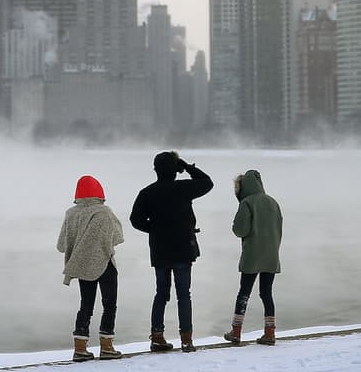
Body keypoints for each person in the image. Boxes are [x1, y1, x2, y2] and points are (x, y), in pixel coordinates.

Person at [129, 151, 213, 353]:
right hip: (183, 248)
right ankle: (186, 340)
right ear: (175, 170)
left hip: (160, 250)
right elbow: (207, 182)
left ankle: (157, 337)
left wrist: (155, 229)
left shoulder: (147, 193)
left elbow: (135, 220)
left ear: (155, 170)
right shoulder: (183, 188)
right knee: (184, 295)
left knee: (161, 294)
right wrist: (187, 166)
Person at [57, 175, 125, 362]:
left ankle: (80, 349)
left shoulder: (71, 213)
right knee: (109, 304)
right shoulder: (105, 212)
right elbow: (117, 236)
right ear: (99, 192)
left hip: (82, 265)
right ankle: (107, 347)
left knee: (85, 306)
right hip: (105, 264)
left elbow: (62, 245)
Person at [223, 169, 283, 346]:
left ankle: (236, 331)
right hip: (272, 254)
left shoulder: (247, 203)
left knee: (244, 293)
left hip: (252, 254)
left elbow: (240, 230)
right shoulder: (273, 202)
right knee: (266, 293)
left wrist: (235, 226)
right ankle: (270, 333)